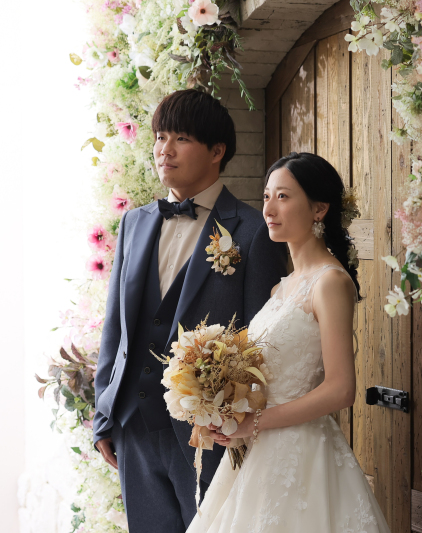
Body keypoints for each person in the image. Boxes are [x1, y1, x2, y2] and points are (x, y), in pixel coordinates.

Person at [92, 89, 287, 533]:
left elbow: (263, 341)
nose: (165, 149)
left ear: (217, 151)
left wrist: (241, 422)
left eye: (180, 138)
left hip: (210, 433)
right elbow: (115, 325)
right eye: (161, 137)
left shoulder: (253, 231)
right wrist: (104, 413)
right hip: (132, 425)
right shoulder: (135, 222)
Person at [186, 152, 390, 533]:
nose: (269, 208)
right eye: (266, 196)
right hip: (259, 451)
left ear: (319, 209)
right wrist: (227, 411)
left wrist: (254, 423)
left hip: (303, 453)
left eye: (283, 196)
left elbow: (342, 389)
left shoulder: (329, 282)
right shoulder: (283, 285)